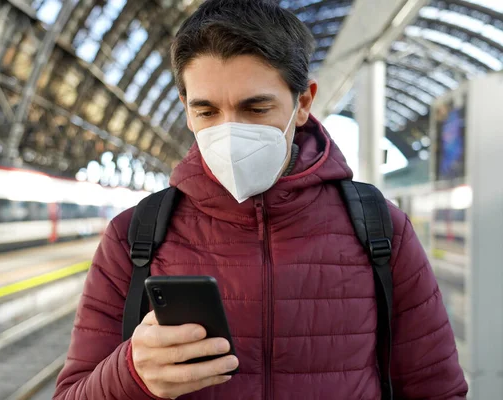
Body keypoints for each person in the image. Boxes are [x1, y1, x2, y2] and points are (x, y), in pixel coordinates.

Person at [53, 0, 468, 398]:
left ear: (302, 102)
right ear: (185, 108)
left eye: (256, 109)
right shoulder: (134, 236)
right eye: (207, 111)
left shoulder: (381, 230)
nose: (229, 133)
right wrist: (130, 375)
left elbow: (437, 389)